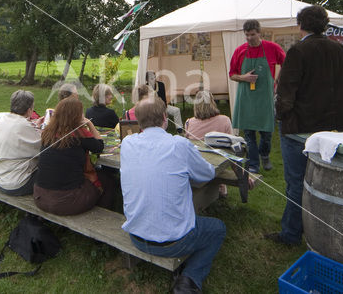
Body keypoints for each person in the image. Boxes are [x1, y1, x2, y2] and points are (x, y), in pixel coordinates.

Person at [270, 5, 343, 246]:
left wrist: (281, 116)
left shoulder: (298, 51)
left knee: (297, 183)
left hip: (300, 128)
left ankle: (291, 233)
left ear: (300, 25)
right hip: (335, 128)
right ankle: (327, 233)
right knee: (330, 183)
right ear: (325, 25)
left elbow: (285, 94)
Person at [120, 95, 225, 293]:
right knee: (218, 228)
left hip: (136, 234)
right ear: (164, 117)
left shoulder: (127, 143)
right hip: (173, 242)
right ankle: (190, 280)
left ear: (138, 121)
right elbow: (208, 173)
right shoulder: (179, 144)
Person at [33, 97, 115, 215]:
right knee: (107, 180)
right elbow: (99, 146)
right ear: (76, 116)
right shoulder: (80, 134)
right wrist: (90, 124)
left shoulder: (48, 132)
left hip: (40, 197)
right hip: (67, 201)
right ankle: (101, 216)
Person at [229, 19, 286, 173]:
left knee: (267, 132)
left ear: (259, 33)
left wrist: (278, 82)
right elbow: (232, 75)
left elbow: (286, 63)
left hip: (265, 98)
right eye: (246, 35)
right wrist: (244, 78)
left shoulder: (272, 48)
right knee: (249, 134)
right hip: (246, 98)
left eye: (252, 34)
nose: (249, 38)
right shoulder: (240, 51)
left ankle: (265, 154)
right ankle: (254, 164)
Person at [0, 90, 42, 196]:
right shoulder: (23, 126)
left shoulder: (2, 121)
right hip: (18, 184)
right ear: (29, 110)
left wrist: (32, 126)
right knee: (54, 168)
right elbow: (43, 148)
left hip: (0, 178)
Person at [185, 90, 233, 198]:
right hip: (216, 164)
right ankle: (221, 189)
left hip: (196, 165)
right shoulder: (225, 120)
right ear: (212, 102)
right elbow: (233, 148)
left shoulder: (189, 123)